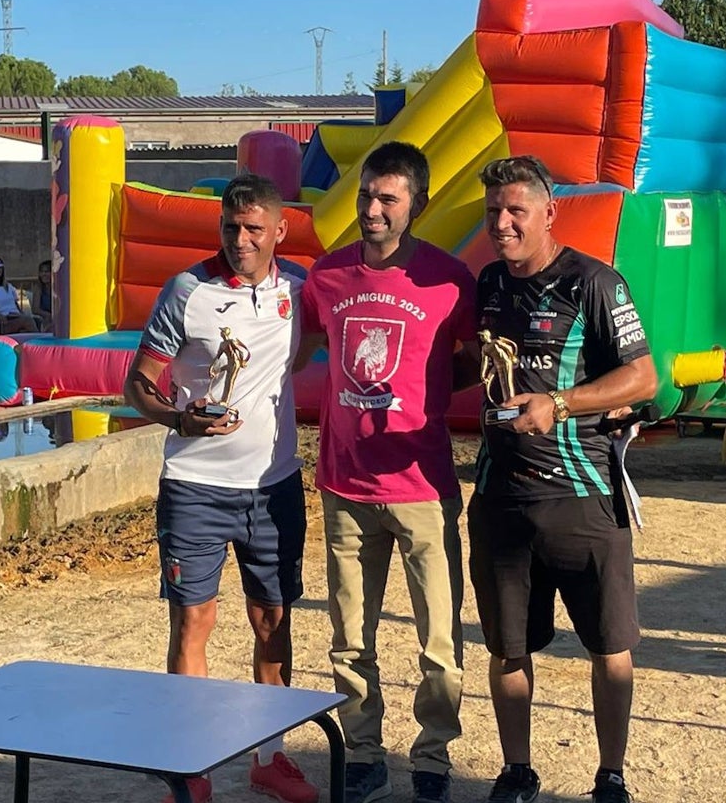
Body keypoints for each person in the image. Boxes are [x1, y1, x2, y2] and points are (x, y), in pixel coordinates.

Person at [122, 173, 317, 803]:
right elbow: (138, 385)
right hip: (195, 487)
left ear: (280, 230)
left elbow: (308, 348)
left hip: (274, 486)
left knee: (272, 621)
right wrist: (179, 418)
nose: (240, 239)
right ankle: (192, 763)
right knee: (193, 622)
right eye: (231, 227)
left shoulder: (300, 290)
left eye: (254, 228)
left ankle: (271, 758)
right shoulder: (186, 291)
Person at [470, 155, 658, 803]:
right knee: (508, 649)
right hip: (500, 497)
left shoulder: (594, 283)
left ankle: (611, 774)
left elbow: (643, 377)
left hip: (582, 499)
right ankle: (517, 769)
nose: (502, 222)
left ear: (550, 213)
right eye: (494, 211)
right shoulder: (488, 283)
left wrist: (562, 403)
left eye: (516, 210)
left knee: (609, 647)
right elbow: (478, 364)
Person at [296, 141, 479, 803]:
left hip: (422, 489)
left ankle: (432, 756)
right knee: (349, 638)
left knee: (439, 639)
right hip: (344, 486)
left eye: (387, 198)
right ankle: (365, 752)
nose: (372, 208)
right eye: (366, 194)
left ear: (417, 205)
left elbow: (468, 365)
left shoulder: (450, 279)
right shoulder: (326, 277)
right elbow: (298, 352)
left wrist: (426, 396)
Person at [0, 255, 38, 339]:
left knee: (36, 320)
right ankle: (41, 347)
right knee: (27, 321)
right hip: (2, 321)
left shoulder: (9, 287)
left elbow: (17, 307)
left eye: (1, 266)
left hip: (15, 316)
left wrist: (21, 314)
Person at [28, 258, 58, 332]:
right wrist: (48, 315)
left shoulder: (59, 287)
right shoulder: (38, 287)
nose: (44, 274)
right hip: (46, 318)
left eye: (47, 271)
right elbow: (35, 309)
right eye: (42, 272)